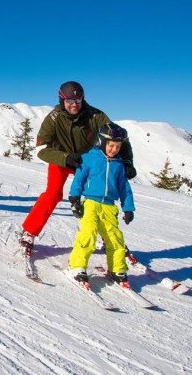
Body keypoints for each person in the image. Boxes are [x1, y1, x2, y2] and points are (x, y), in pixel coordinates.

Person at [20, 81, 136, 255]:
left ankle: (108, 239)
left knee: (98, 197)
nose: (75, 104)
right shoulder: (54, 118)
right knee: (52, 194)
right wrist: (65, 158)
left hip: (86, 161)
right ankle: (29, 232)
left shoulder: (95, 116)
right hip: (61, 160)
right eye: (70, 101)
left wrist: (127, 162)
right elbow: (41, 148)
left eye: (78, 100)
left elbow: (118, 137)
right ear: (62, 100)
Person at [67, 122, 135, 285]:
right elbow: (79, 178)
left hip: (109, 207)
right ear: (102, 142)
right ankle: (76, 266)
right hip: (90, 203)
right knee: (88, 234)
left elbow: (125, 188)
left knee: (115, 238)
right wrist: (74, 198)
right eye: (111, 145)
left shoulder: (119, 164)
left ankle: (117, 269)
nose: (114, 149)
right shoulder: (89, 158)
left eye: (118, 146)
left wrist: (128, 208)